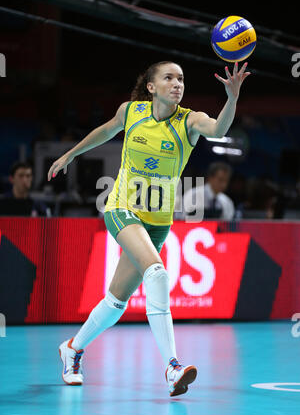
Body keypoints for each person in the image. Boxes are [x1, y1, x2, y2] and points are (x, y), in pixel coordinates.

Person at [48, 60, 250, 396]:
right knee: (157, 272)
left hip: (157, 223)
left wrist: (232, 97)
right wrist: (71, 154)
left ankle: (72, 348)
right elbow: (106, 130)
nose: (177, 84)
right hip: (121, 209)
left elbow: (218, 130)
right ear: (152, 87)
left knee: (116, 302)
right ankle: (172, 367)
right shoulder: (131, 112)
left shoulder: (189, 121)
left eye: (181, 79)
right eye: (168, 78)